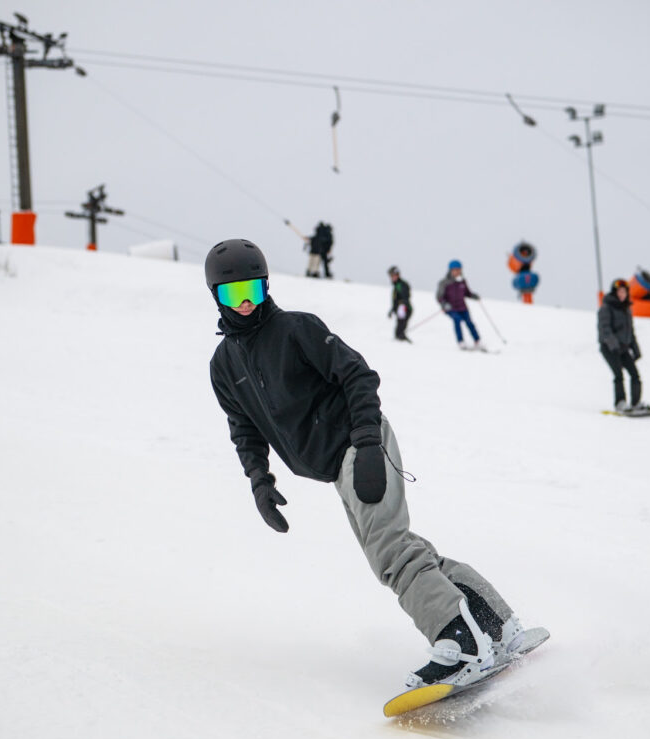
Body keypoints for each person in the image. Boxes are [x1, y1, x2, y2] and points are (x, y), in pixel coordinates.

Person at [206, 238, 526, 689]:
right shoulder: (223, 365)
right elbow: (244, 428)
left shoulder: (296, 330)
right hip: (337, 466)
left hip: (359, 443)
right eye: (231, 294)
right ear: (215, 296)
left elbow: (357, 374)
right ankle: (494, 625)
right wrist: (260, 481)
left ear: (266, 288)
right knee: (400, 548)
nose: (243, 304)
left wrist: (368, 444)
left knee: (389, 553)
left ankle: (460, 642)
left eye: (252, 292)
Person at [597, 278, 649, 413]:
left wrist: (635, 349)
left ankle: (636, 403)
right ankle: (620, 403)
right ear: (615, 293)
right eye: (619, 292)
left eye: (624, 292)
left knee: (635, 374)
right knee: (618, 375)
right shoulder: (606, 308)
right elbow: (605, 329)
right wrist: (613, 346)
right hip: (609, 348)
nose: (622, 294)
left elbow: (630, 332)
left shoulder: (627, 310)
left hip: (623, 348)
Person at [435, 260, 483, 350]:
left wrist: (474, 296)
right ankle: (461, 342)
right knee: (457, 320)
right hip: (450, 308)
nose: (456, 272)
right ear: (450, 270)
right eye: (454, 270)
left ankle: (478, 341)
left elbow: (467, 293)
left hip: (462, 307)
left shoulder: (462, 281)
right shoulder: (444, 282)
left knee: (469, 322)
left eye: (458, 270)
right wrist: (444, 304)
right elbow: (439, 297)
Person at [387, 265, 413, 342]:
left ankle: (402, 340)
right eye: (391, 276)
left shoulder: (402, 284)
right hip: (400, 309)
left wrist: (403, 305)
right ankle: (400, 338)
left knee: (400, 328)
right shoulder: (396, 286)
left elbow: (406, 296)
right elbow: (395, 300)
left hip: (405, 309)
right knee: (398, 329)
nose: (392, 277)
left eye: (393, 275)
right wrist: (392, 310)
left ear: (397, 275)